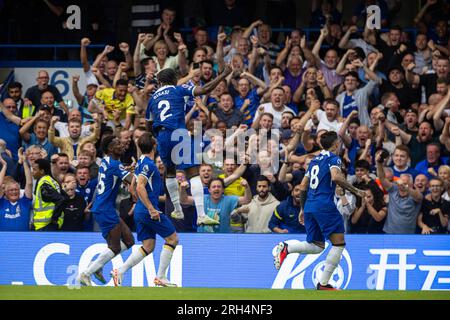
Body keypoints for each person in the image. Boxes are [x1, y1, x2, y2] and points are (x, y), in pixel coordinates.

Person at [274, 131, 366, 290]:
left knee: (316, 246)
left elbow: (303, 186)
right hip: (325, 206)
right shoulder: (333, 158)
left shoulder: (315, 161)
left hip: (310, 205)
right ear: (336, 144)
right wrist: (356, 191)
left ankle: (287, 248)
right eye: (339, 142)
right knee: (338, 244)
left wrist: (303, 208)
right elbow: (336, 177)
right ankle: (323, 284)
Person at [145, 66, 232, 226]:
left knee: (170, 172)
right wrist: (224, 75)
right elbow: (205, 89)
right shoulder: (178, 90)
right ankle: (201, 215)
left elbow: (148, 125)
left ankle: (177, 209)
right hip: (177, 133)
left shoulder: (152, 99)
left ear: (159, 82)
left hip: (162, 136)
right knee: (193, 173)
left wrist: (158, 136)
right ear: (174, 80)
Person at [111, 133, 179, 287]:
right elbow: (140, 185)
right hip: (149, 210)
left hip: (140, 210)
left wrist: (136, 197)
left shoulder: (141, 160)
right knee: (172, 239)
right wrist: (150, 208)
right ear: (154, 146)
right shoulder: (149, 164)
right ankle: (161, 277)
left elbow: (134, 185)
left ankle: (120, 271)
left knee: (148, 246)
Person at [77, 135, 135, 286]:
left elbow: (117, 174)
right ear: (110, 148)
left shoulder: (107, 161)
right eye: (117, 143)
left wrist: (127, 170)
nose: (121, 144)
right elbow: (132, 181)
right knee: (114, 247)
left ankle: (98, 267)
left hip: (104, 208)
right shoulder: (115, 165)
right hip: (105, 209)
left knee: (129, 240)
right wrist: (139, 171)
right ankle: (86, 273)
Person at [376, 151, 424, 234]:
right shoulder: (394, 189)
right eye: (400, 184)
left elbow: (418, 196)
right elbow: (382, 178)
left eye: (405, 184)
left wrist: (405, 187)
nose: (401, 186)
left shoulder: (415, 195)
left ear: (411, 185)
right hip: (389, 234)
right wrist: (379, 164)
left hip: (408, 236)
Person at [0, 149, 33, 231]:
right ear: (5, 192)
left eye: (16, 189)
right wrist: (4, 166)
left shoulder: (25, 202)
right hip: (3, 240)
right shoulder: (2, 203)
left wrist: (25, 162)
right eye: (11, 190)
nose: (14, 192)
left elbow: (29, 183)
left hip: (23, 239)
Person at [32, 158, 66, 231]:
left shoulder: (44, 185)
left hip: (46, 225)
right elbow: (65, 196)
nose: (32, 172)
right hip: (48, 225)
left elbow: (61, 199)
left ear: (42, 171)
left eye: (34, 169)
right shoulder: (51, 181)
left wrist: (54, 219)